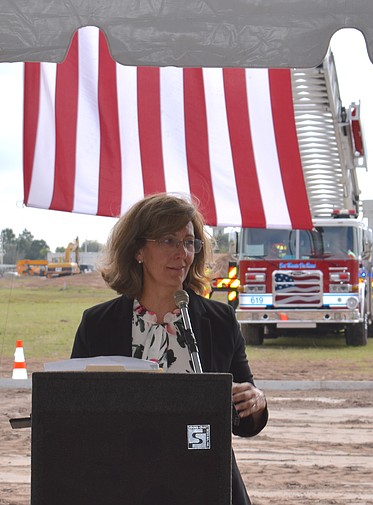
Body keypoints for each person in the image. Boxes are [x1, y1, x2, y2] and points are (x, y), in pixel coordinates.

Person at [71, 192, 268, 505]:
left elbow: (244, 418)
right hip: (124, 483)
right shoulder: (98, 324)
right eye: (168, 241)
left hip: (205, 481)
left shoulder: (220, 320)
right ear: (138, 250)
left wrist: (254, 402)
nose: (182, 254)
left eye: (189, 242)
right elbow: (74, 411)